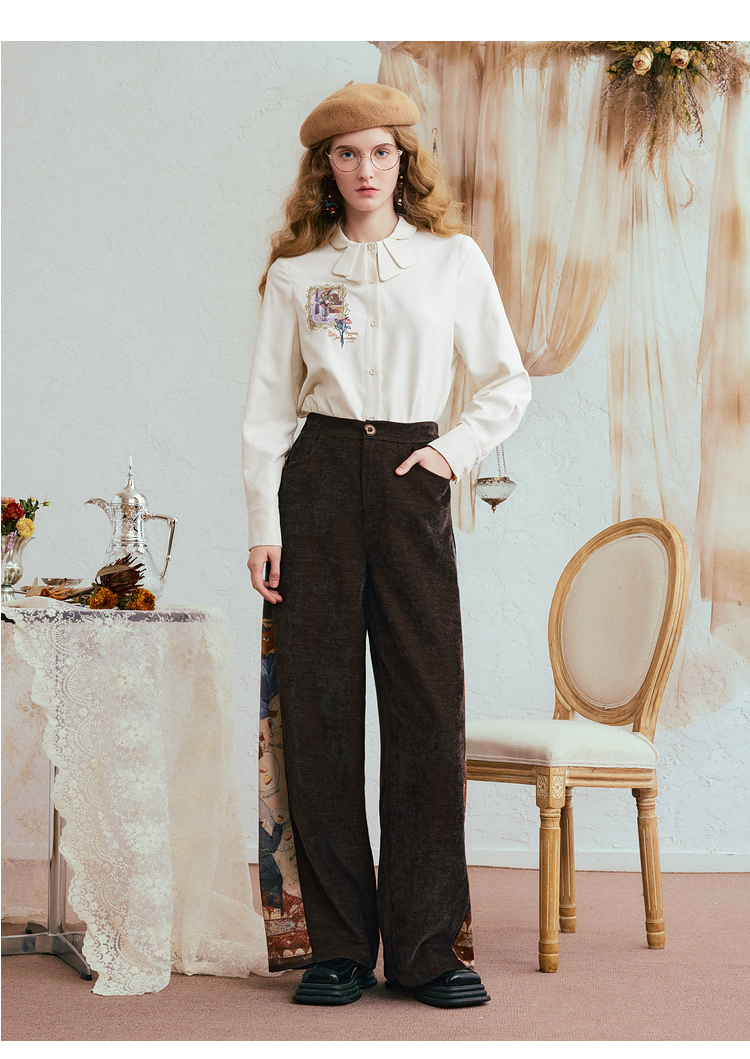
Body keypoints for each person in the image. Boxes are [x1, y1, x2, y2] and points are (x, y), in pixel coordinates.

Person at [243, 82, 531, 1008]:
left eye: (380, 152)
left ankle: (425, 947)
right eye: (346, 154)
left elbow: (507, 382)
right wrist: (264, 525)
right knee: (321, 712)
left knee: (426, 710)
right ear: (324, 169)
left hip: (412, 475)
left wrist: (447, 454)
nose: (364, 169)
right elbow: (267, 411)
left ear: (404, 160)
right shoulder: (296, 275)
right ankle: (336, 946)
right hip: (319, 480)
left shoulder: (452, 260)